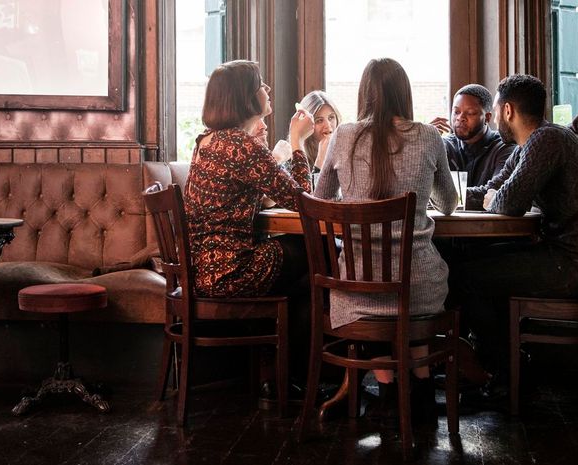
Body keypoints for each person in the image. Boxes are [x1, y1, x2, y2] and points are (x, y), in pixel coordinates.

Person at [313, 58, 457, 418]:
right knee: (409, 284)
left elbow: (320, 199)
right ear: (404, 94)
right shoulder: (427, 135)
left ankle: (388, 388)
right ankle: (421, 384)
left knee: (375, 284)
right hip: (419, 287)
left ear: (364, 94)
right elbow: (450, 204)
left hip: (357, 290)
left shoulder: (343, 135)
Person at [455, 74, 578, 379]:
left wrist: (493, 199)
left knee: (466, 277)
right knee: (466, 260)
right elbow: (492, 189)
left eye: (498, 108)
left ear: (508, 111)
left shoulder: (547, 140)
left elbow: (508, 202)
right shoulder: (528, 145)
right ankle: (495, 362)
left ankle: (501, 372)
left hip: (577, 264)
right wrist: (448, 196)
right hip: (562, 253)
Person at [185, 59, 314, 298]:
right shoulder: (242, 146)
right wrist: (298, 140)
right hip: (231, 274)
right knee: (321, 248)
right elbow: (304, 201)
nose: (268, 89)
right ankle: (309, 332)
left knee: (308, 256)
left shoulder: (206, 141)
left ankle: (274, 328)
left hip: (201, 274)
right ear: (246, 97)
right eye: (261, 85)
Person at [430, 84, 517, 208]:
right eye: (456, 112)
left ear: (487, 117)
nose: (460, 118)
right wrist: (425, 144)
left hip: (492, 226)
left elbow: (495, 194)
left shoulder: (505, 148)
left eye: (470, 113)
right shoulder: (443, 145)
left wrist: (443, 197)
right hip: (445, 225)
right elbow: (420, 188)